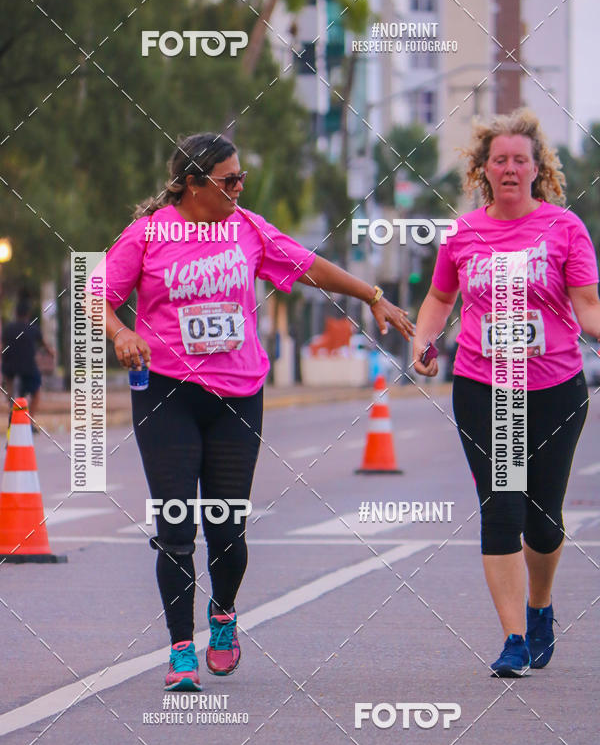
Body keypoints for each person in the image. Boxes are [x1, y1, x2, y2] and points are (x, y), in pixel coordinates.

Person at [101, 132, 414, 691]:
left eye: (241, 177)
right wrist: (121, 332)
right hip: (167, 394)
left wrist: (372, 296)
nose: (240, 187)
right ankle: (180, 649)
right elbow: (93, 294)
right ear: (194, 184)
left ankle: (223, 613)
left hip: (238, 395)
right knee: (175, 523)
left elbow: (310, 266)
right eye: (230, 180)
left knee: (226, 527)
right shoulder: (149, 234)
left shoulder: (248, 228)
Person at [413, 108, 600, 677]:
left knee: (542, 519)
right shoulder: (463, 233)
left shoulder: (565, 228)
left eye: (521, 159)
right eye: (500, 160)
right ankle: (514, 638)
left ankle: (540, 607)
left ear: (538, 168)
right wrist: (424, 339)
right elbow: (440, 298)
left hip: (554, 388)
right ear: (484, 169)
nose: (511, 168)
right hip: (485, 387)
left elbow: (588, 307)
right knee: (502, 508)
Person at [2, 298, 54, 430]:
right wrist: (51, 352)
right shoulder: (33, 328)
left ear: (16, 313)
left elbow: (2, 347)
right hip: (28, 367)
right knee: (36, 392)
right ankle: (29, 421)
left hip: (9, 367)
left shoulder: (8, 328)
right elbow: (45, 345)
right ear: (28, 314)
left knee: (10, 387)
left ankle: (12, 410)